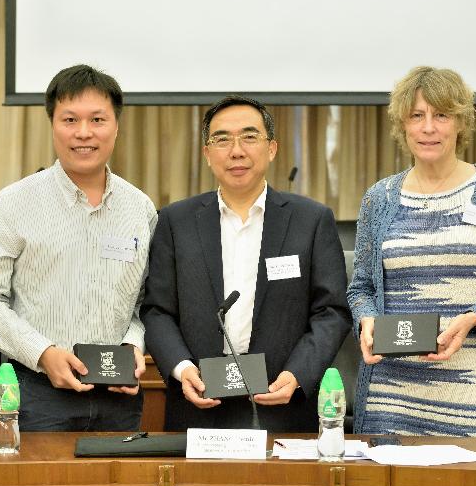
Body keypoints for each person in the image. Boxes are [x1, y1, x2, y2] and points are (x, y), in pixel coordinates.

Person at [348, 66, 476, 438]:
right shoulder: (380, 198)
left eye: (441, 115)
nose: (428, 127)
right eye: (417, 116)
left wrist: (473, 318)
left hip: (474, 403)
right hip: (390, 400)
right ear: (403, 124)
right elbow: (361, 289)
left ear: (460, 122)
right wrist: (367, 320)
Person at [141, 95, 351, 431]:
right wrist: (182, 368)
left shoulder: (310, 220)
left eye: (249, 137)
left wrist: (298, 374)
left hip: (281, 405)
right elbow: (156, 310)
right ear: (207, 154)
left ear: (271, 149)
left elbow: (332, 311)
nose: (236, 150)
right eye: (222, 139)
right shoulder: (175, 221)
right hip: (199, 406)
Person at [0, 65, 157, 431]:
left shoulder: (140, 209)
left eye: (97, 120)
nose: (84, 133)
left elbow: (144, 302)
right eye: (70, 119)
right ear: (52, 124)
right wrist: (43, 354)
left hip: (118, 398)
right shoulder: (12, 204)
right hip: (36, 396)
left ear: (116, 126)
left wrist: (134, 345)